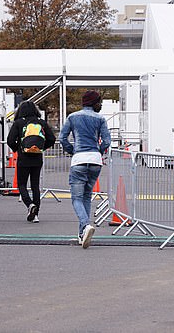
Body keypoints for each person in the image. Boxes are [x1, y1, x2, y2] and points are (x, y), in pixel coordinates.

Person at [59, 90, 111, 248]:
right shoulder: (100, 119)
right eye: (99, 102)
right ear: (93, 103)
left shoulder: (72, 117)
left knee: (76, 198)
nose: (101, 105)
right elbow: (107, 141)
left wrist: (71, 150)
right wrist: (99, 151)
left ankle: (85, 225)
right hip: (95, 160)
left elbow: (62, 138)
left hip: (79, 159)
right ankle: (83, 233)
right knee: (87, 197)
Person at [7, 100, 56, 223]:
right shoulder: (41, 123)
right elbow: (52, 139)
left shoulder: (19, 123)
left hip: (23, 158)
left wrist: (17, 148)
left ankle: (29, 205)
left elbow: (10, 140)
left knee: (22, 184)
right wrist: (41, 148)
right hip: (37, 158)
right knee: (35, 186)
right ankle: (36, 215)